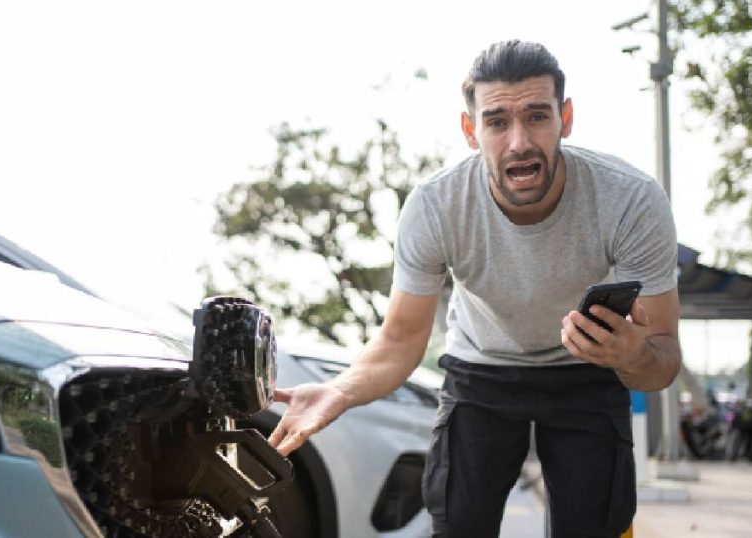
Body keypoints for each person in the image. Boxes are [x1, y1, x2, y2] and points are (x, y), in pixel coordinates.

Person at [268, 40, 681, 538]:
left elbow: (663, 360)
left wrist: (633, 356)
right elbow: (400, 340)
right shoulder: (436, 206)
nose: (519, 142)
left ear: (565, 119)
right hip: (482, 369)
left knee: (598, 526)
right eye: (497, 122)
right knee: (457, 521)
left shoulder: (631, 199)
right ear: (471, 131)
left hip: (587, 367)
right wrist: (338, 390)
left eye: (537, 116)